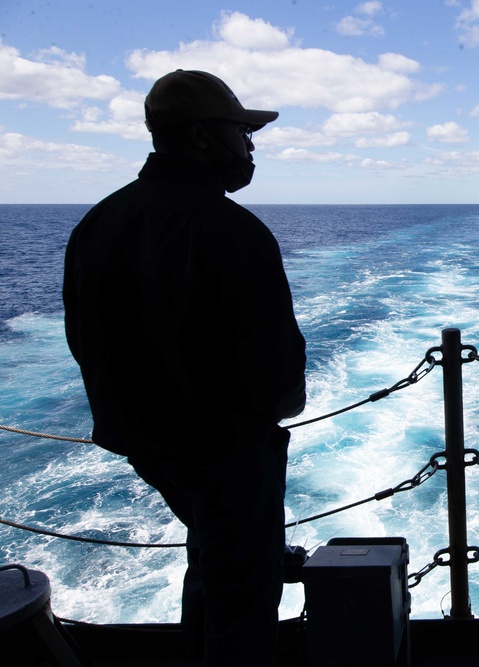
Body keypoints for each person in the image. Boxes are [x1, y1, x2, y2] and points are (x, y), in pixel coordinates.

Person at [63, 69, 306, 665]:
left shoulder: (99, 222)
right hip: (228, 447)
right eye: (241, 132)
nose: (250, 146)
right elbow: (277, 382)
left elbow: (84, 340)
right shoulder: (231, 231)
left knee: (212, 564)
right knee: (244, 598)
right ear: (203, 137)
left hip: (151, 448)